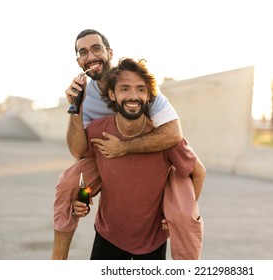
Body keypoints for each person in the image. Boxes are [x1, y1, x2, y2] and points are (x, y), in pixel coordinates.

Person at [51, 29, 183, 259]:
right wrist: (75, 107)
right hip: (103, 153)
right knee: (68, 183)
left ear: (109, 52)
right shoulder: (82, 92)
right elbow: (78, 151)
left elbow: (174, 133)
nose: (90, 56)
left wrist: (125, 147)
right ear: (78, 61)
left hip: (138, 151)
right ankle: (58, 260)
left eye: (96, 48)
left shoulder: (134, 84)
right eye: (83, 52)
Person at [73, 58, 206, 259]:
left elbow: (198, 173)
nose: (133, 96)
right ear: (112, 94)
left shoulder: (165, 138)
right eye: (125, 89)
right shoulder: (97, 131)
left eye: (141, 89)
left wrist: (178, 215)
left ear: (149, 95)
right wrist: (82, 198)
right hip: (107, 237)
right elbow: (84, 165)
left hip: (152, 243)